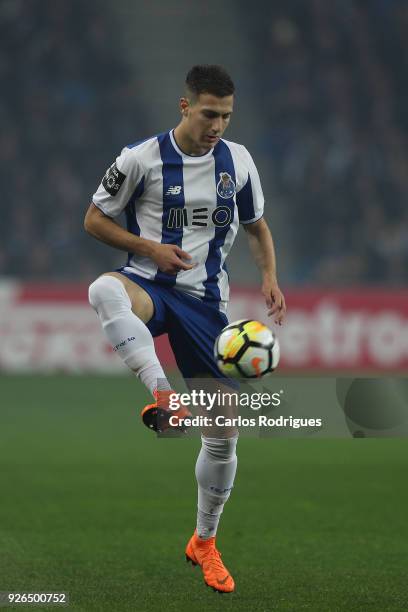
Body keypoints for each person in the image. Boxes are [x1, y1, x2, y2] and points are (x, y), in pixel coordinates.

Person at [85, 64, 286, 594]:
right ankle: (161, 394)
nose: (217, 124)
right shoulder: (141, 159)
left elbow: (256, 226)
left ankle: (204, 542)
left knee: (223, 434)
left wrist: (269, 276)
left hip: (206, 306)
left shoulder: (237, 160)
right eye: (208, 113)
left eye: (225, 115)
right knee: (103, 290)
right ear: (184, 106)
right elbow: (95, 219)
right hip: (149, 286)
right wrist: (150, 249)